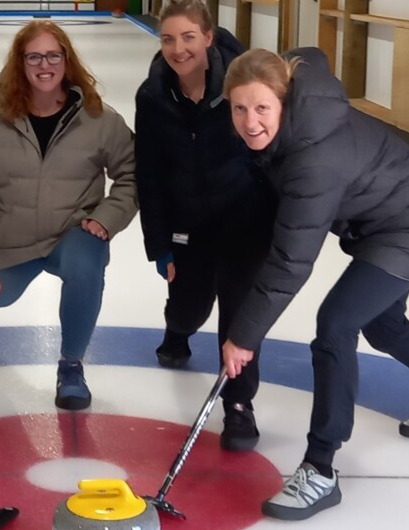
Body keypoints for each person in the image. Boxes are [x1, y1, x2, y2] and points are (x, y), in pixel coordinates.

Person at [220, 47, 409, 521]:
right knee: (383, 325)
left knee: (336, 324)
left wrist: (244, 336)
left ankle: (320, 468)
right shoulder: (296, 127)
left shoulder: (314, 159)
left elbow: (291, 262)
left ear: (284, 100)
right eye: (239, 108)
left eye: (261, 107)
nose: (250, 122)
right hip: (383, 218)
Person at [0, 21, 138, 411]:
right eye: (34, 56)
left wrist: (106, 217)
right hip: (14, 238)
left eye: (54, 55)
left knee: (86, 263)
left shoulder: (100, 120)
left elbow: (133, 174)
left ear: (67, 60)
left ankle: (71, 366)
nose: (44, 65)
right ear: (20, 63)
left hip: (73, 234)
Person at [134, 0, 273, 452]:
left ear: (209, 38)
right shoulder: (152, 97)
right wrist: (160, 244)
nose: (179, 49)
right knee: (188, 310)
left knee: (239, 315)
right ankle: (177, 330)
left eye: (189, 37)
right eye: (168, 39)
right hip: (188, 225)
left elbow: (270, 149)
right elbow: (149, 174)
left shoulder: (240, 86)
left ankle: (238, 404)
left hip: (243, 221)